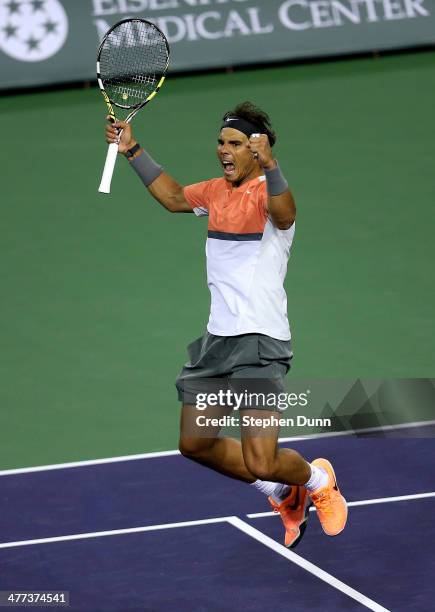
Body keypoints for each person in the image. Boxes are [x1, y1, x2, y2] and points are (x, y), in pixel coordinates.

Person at [105, 101, 347, 548]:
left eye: (235, 143)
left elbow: (287, 213)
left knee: (260, 457)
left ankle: (317, 480)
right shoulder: (216, 192)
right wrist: (134, 150)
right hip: (217, 342)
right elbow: (175, 197)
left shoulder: (269, 196)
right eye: (221, 141)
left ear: (258, 151)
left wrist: (274, 168)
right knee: (195, 443)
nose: (224, 150)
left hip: (259, 342)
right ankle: (282, 492)